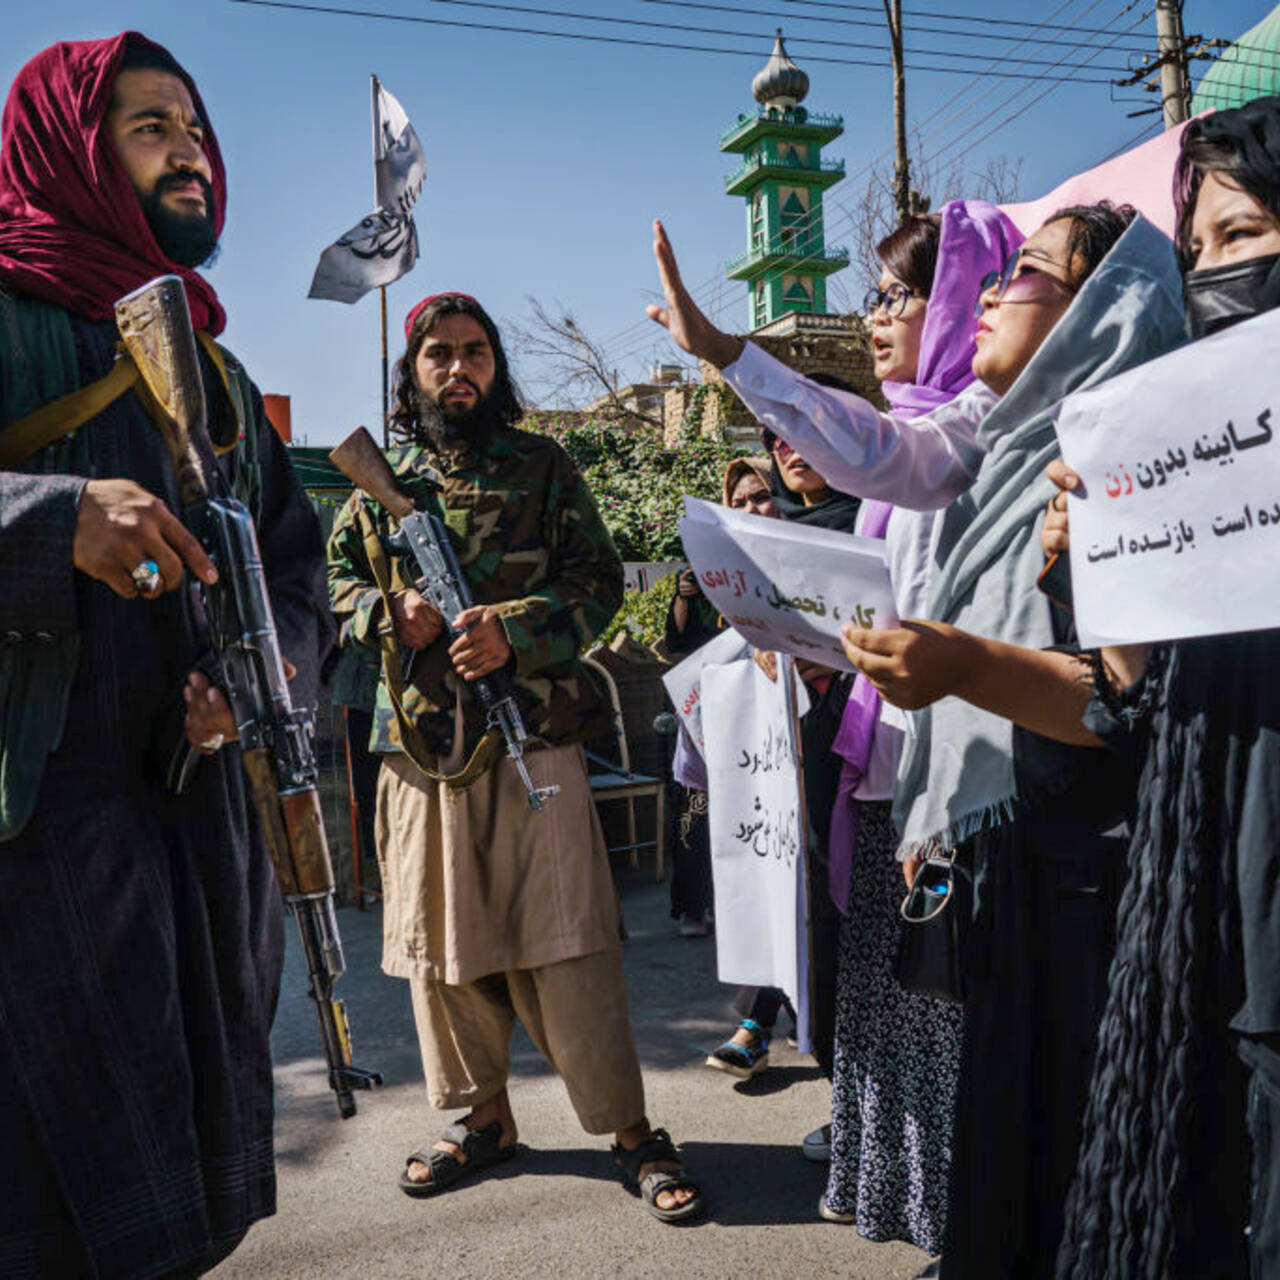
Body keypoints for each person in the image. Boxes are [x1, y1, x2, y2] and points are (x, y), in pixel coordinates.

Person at [647, 201, 1185, 1276]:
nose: (977, 297)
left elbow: (1133, 698)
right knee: (1005, 1087)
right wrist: (723, 354)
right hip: (996, 832)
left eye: (1015, 274)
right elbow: (872, 446)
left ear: (1096, 308)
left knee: (1076, 1100)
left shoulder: (1140, 451)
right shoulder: (982, 439)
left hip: (1098, 848)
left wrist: (967, 675)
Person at [0, 33, 332, 1278]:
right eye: (150, 127)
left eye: (196, 127)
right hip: (35, 835)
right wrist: (48, 522)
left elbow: (296, 570)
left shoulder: (216, 366)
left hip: (193, 835)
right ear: (68, 150)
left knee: (177, 1200)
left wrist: (261, 676)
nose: (191, 149)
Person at [326, 291, 703, 1222]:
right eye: (439, 355)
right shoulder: (381, 480)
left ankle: (630, 1131)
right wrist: (391, 614)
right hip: (420, 748)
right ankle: (484, 1121)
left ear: (496, 365)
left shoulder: (542, 464)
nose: (460, 369)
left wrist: (516, 635)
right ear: (412, 371)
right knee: (445, 953)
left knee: (569, 944)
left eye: (477, 352)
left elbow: (600, 582)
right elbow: (334, 585)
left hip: (533, 738)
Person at [1038, 98, 1280, 1280]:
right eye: (1196, 254)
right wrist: (1108, 565)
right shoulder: (1196, 442)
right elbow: (1142, 705)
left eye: (1239, 238)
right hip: (1209, 939)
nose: (1210, 276)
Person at [818, 203, 1017, 1266]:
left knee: (942, 1001)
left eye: (900, 293)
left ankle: (960, 1216)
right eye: (876, 294)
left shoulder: (976, 440)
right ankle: (889, 1184)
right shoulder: (903, 442)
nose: (877, 314)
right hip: (885, 764)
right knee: (889, 997)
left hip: (953, 773)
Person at [664, 456, 774, 938]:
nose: (750, 508)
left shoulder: (800, 550)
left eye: (761, 496)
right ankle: (695, 908)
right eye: (739, 501)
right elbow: (680, 643)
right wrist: (687, 595)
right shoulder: (714, 559)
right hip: (711, 707)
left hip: (770, 708)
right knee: (698, 811)